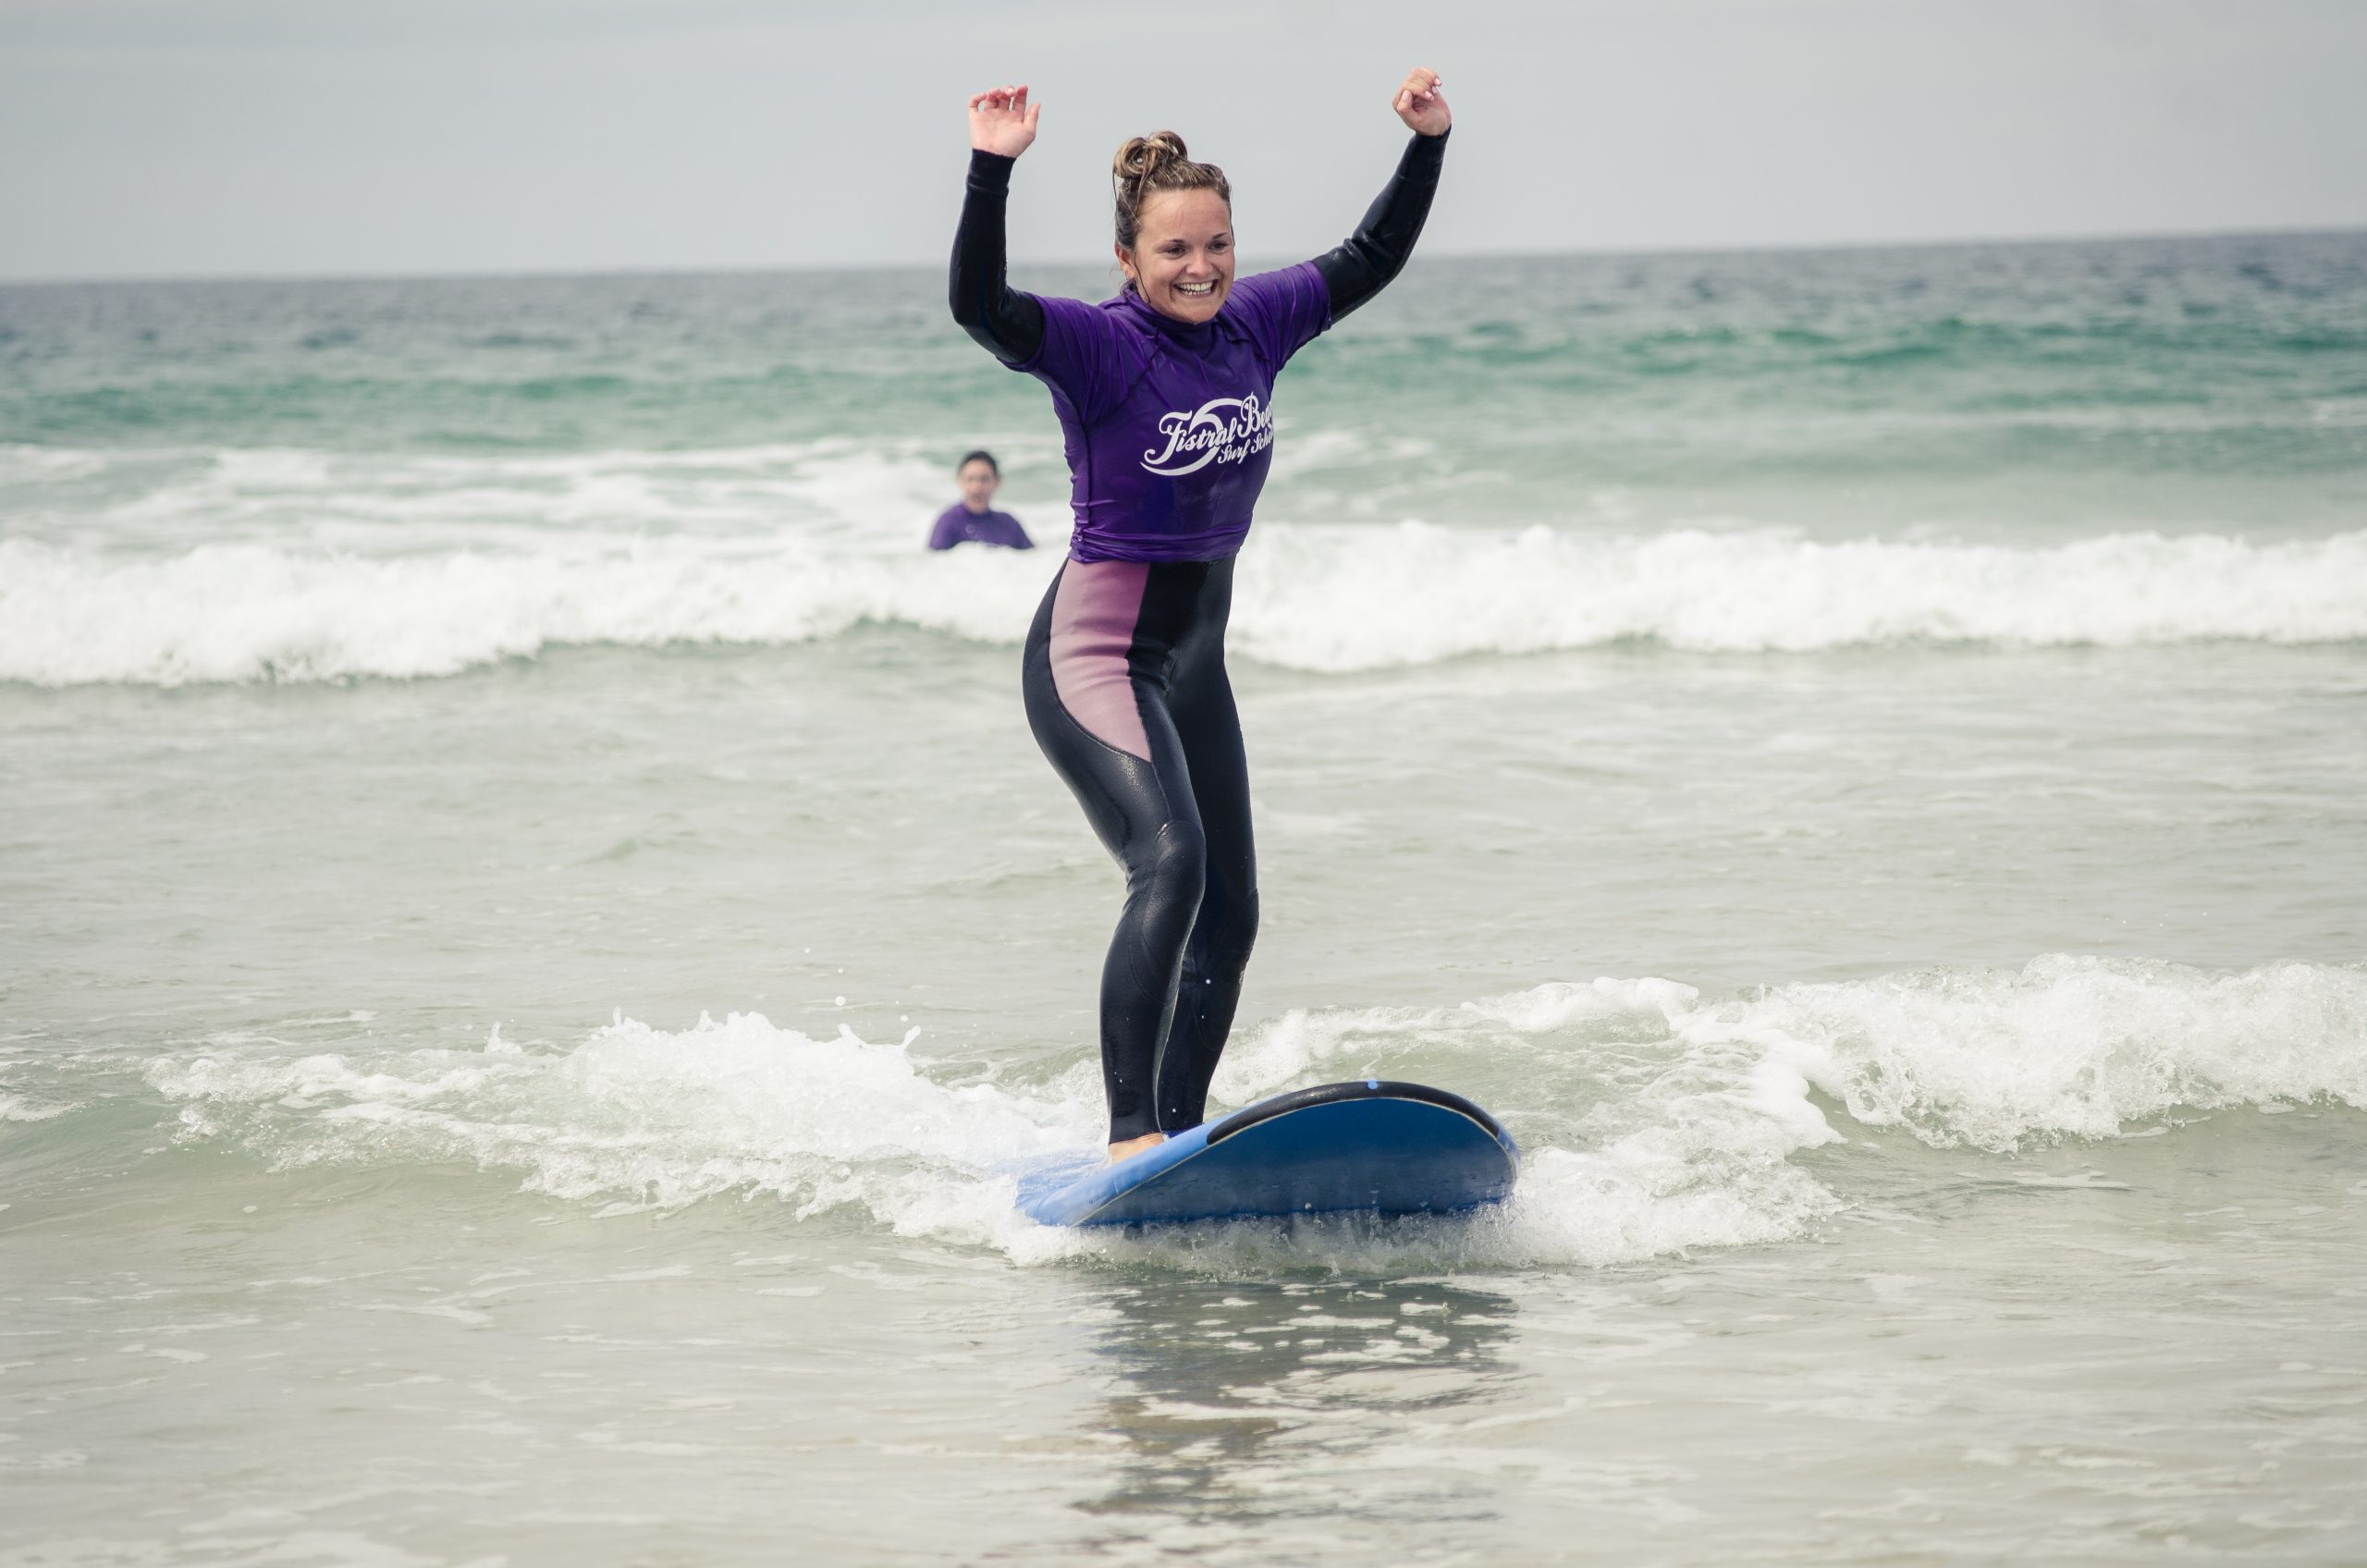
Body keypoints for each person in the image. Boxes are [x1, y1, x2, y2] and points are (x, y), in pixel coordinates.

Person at [951, 68, 1451, 1161]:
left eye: (1217, 243)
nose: (1201, 265)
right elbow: (980, 309)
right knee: (1170, 863)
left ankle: (1179, 1134)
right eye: (1173, 249)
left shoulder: (1254, 323)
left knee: (1231, 908)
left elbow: (1370, 257)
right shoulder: (1097, 345)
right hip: (1093, 659)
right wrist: (991, 170)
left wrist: (1427, 144)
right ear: (1127, 259)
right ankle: (1130, 1134)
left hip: (1193, 667)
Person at [926, 449, 1035, 550]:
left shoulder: (1009, 524)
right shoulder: (948, 522)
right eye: (970, 479)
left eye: (984, 479)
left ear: (997, 481)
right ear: (960, 481)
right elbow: (933, 561)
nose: (977, 487)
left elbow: (1034, 558)